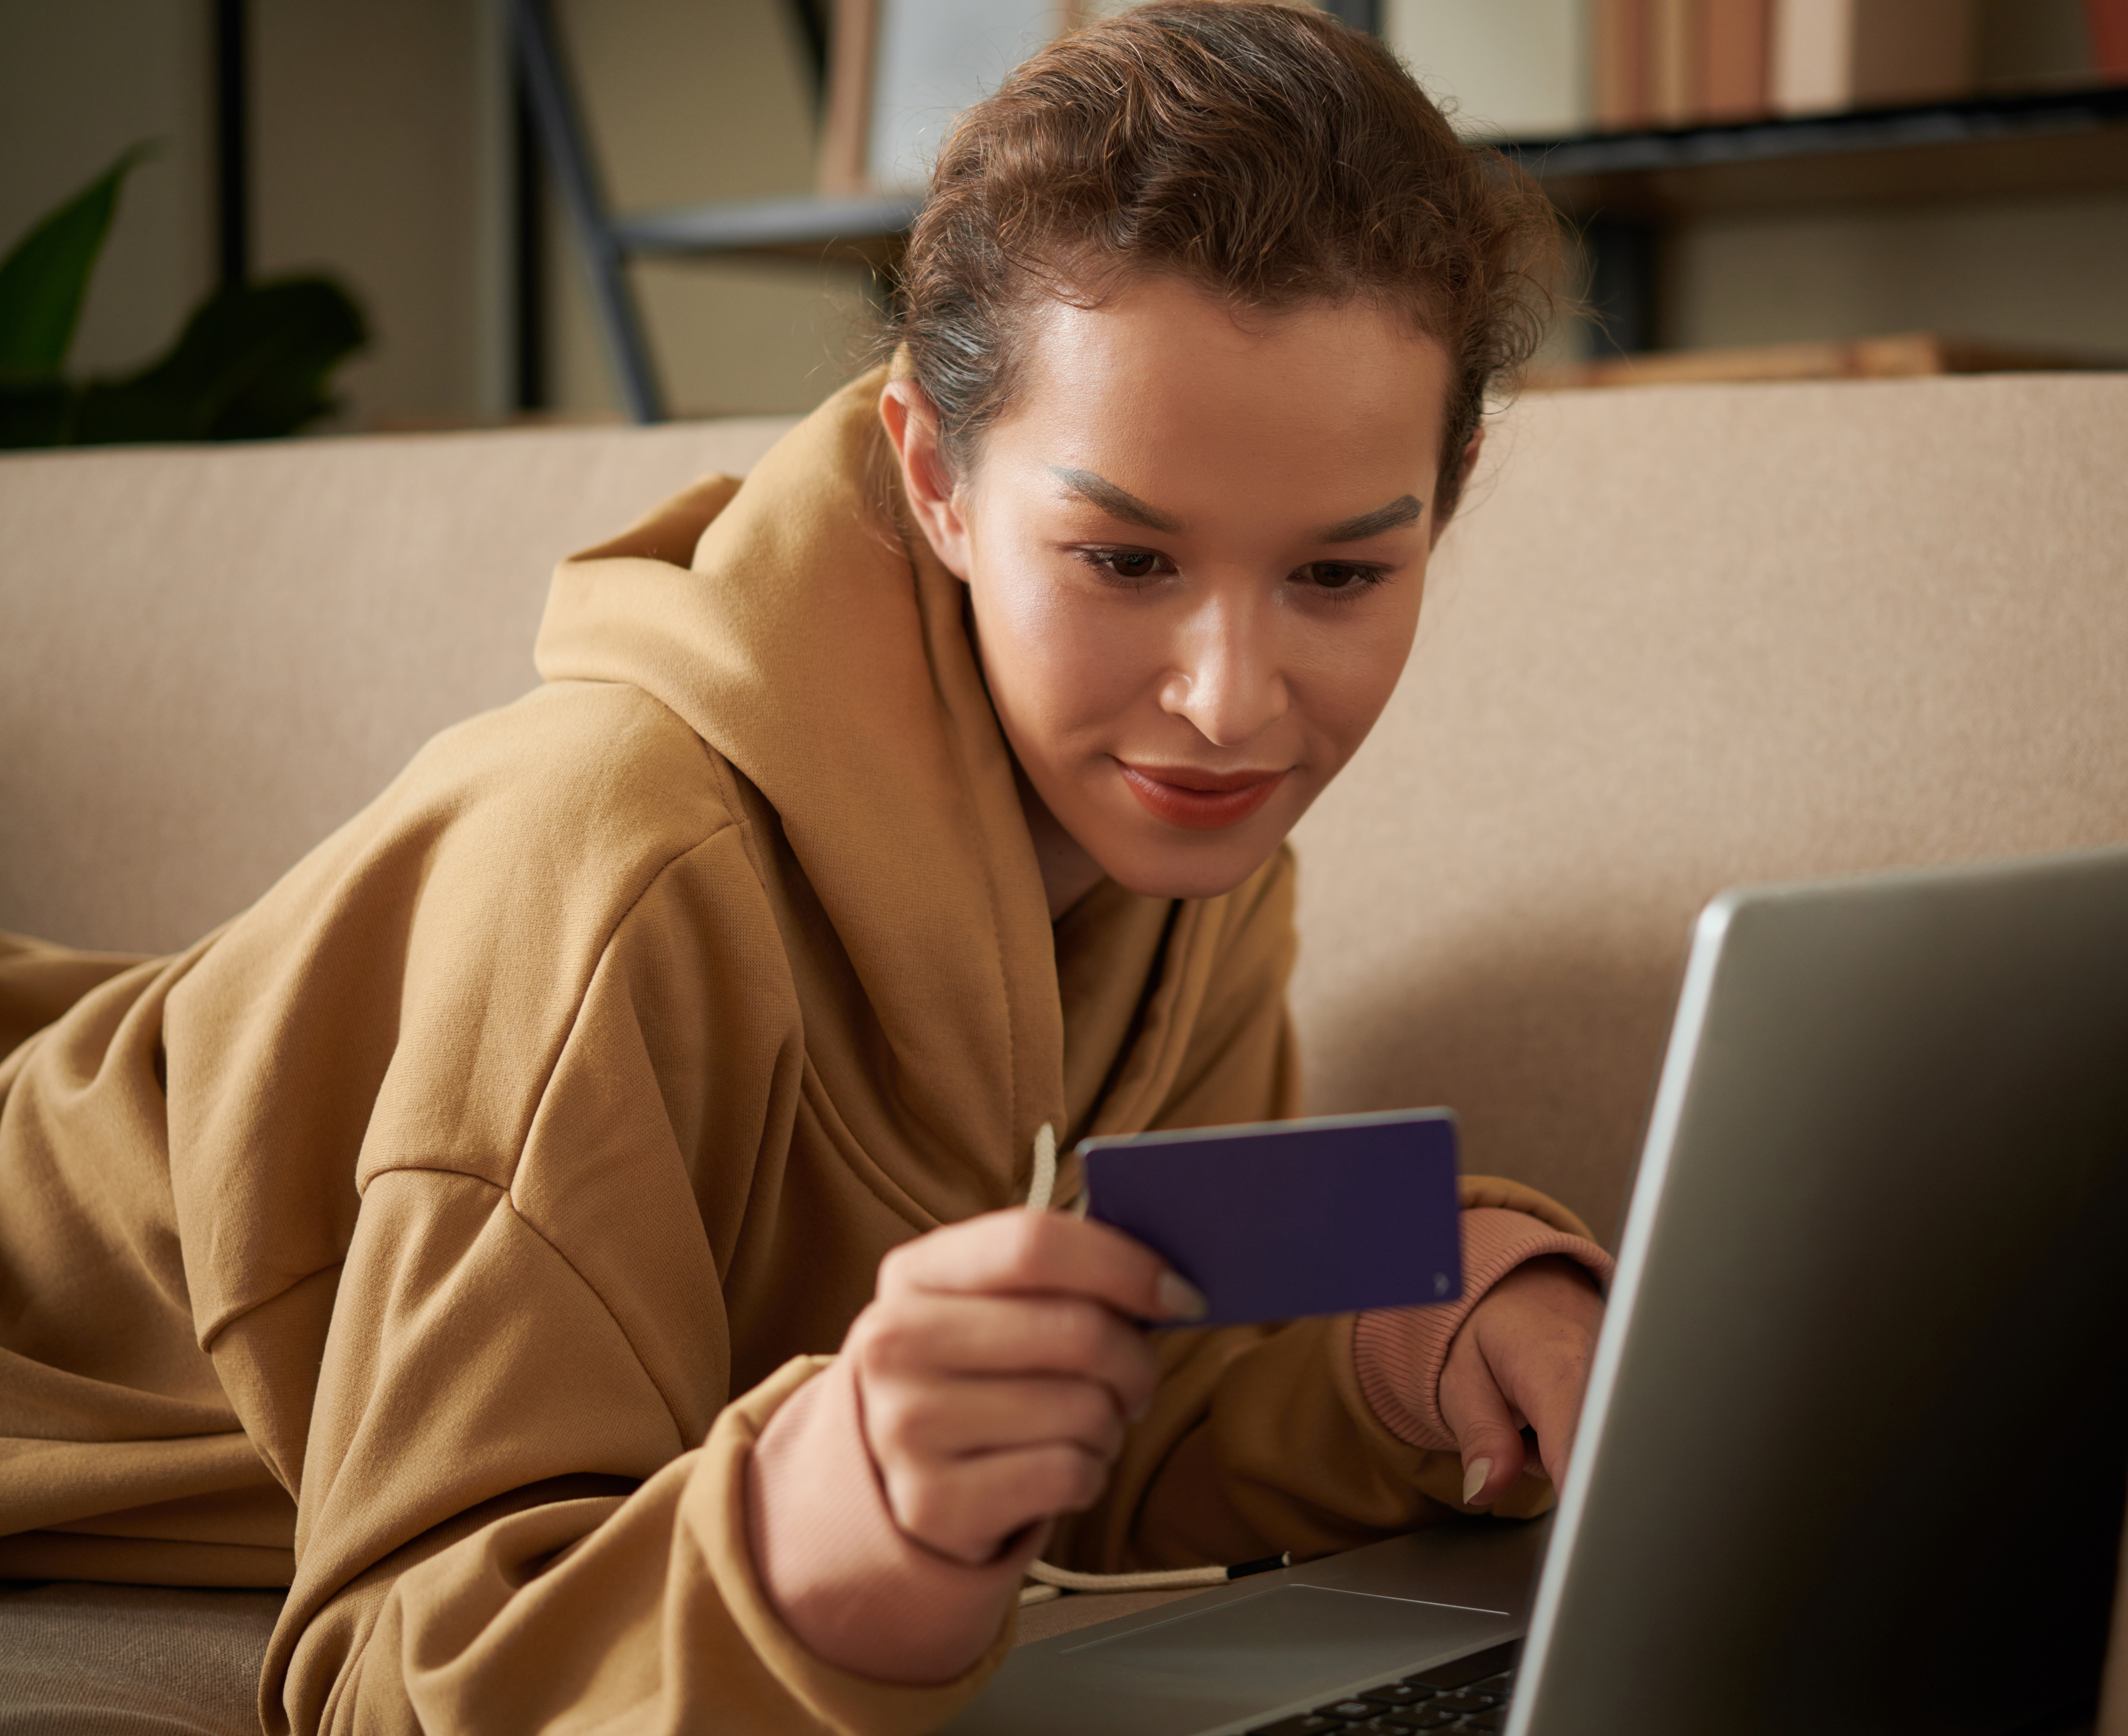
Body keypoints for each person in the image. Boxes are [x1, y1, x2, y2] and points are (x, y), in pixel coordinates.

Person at [0, 4, 1612, 1730]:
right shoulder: (614, 866)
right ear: (935, 477)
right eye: (1126, 558)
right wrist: (811, 1533)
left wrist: (1423, 1343)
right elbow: (407, 1668)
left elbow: (1143, 1356)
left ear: (1441, 503)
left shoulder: (1185, 843)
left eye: (1340, 578)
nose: (1230, 701)